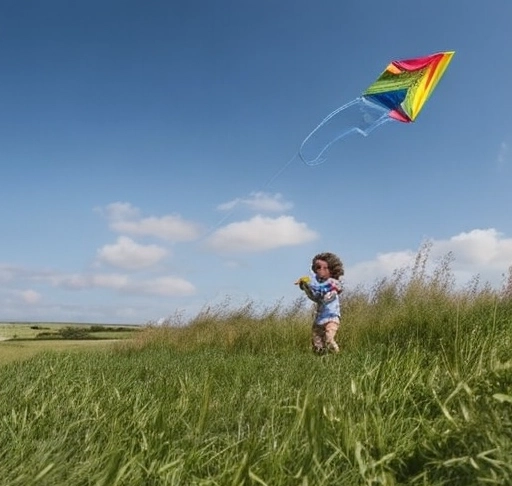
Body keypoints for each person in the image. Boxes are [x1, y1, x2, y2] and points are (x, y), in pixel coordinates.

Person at [295, 252, 344, 354]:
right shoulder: (318, 284)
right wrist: (305, 286)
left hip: (332, 317)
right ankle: (321, 359)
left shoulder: (333, 283)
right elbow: (315, 296)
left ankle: (338, 356)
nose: (321, 270)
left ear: (331, 269)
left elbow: (323, 290)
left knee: (329, 338)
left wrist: (308, 282)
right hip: (320, 317)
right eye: (318, 268)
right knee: (317, 342)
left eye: (325, 268)